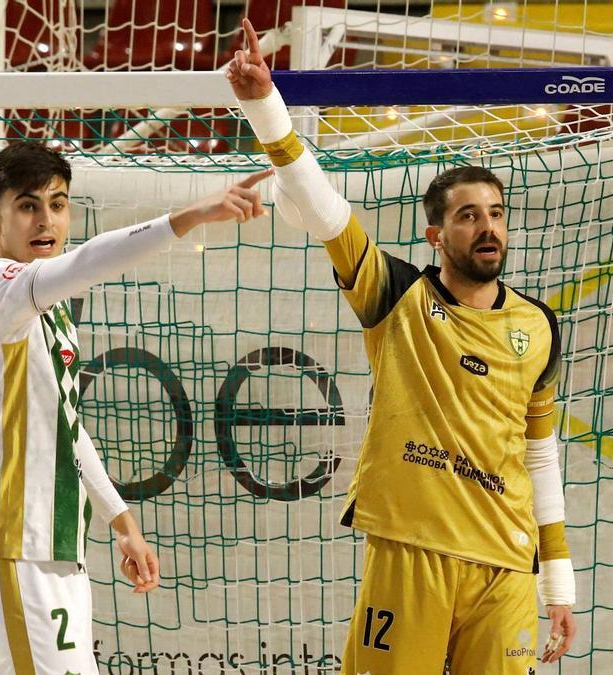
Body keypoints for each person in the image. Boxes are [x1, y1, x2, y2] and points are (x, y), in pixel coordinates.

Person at [227, 20, 577, 675]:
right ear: (435, 235)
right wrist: (265, 108)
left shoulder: (539, 325)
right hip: (412, 550)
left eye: (496, 213)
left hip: (506, 564)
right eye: (468, 215)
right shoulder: (397, 296)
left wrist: (558, 582)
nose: (488, 227)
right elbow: (328, 212)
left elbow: (540, 453)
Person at [0, 141, 271, 674]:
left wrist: (122, 521)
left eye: (57, 203)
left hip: (50, 544)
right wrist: (193, 214)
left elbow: (66, 424)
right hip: (10, 541)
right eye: (27, 206)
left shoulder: (47, 311)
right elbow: (88, 261)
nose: (46, 220)